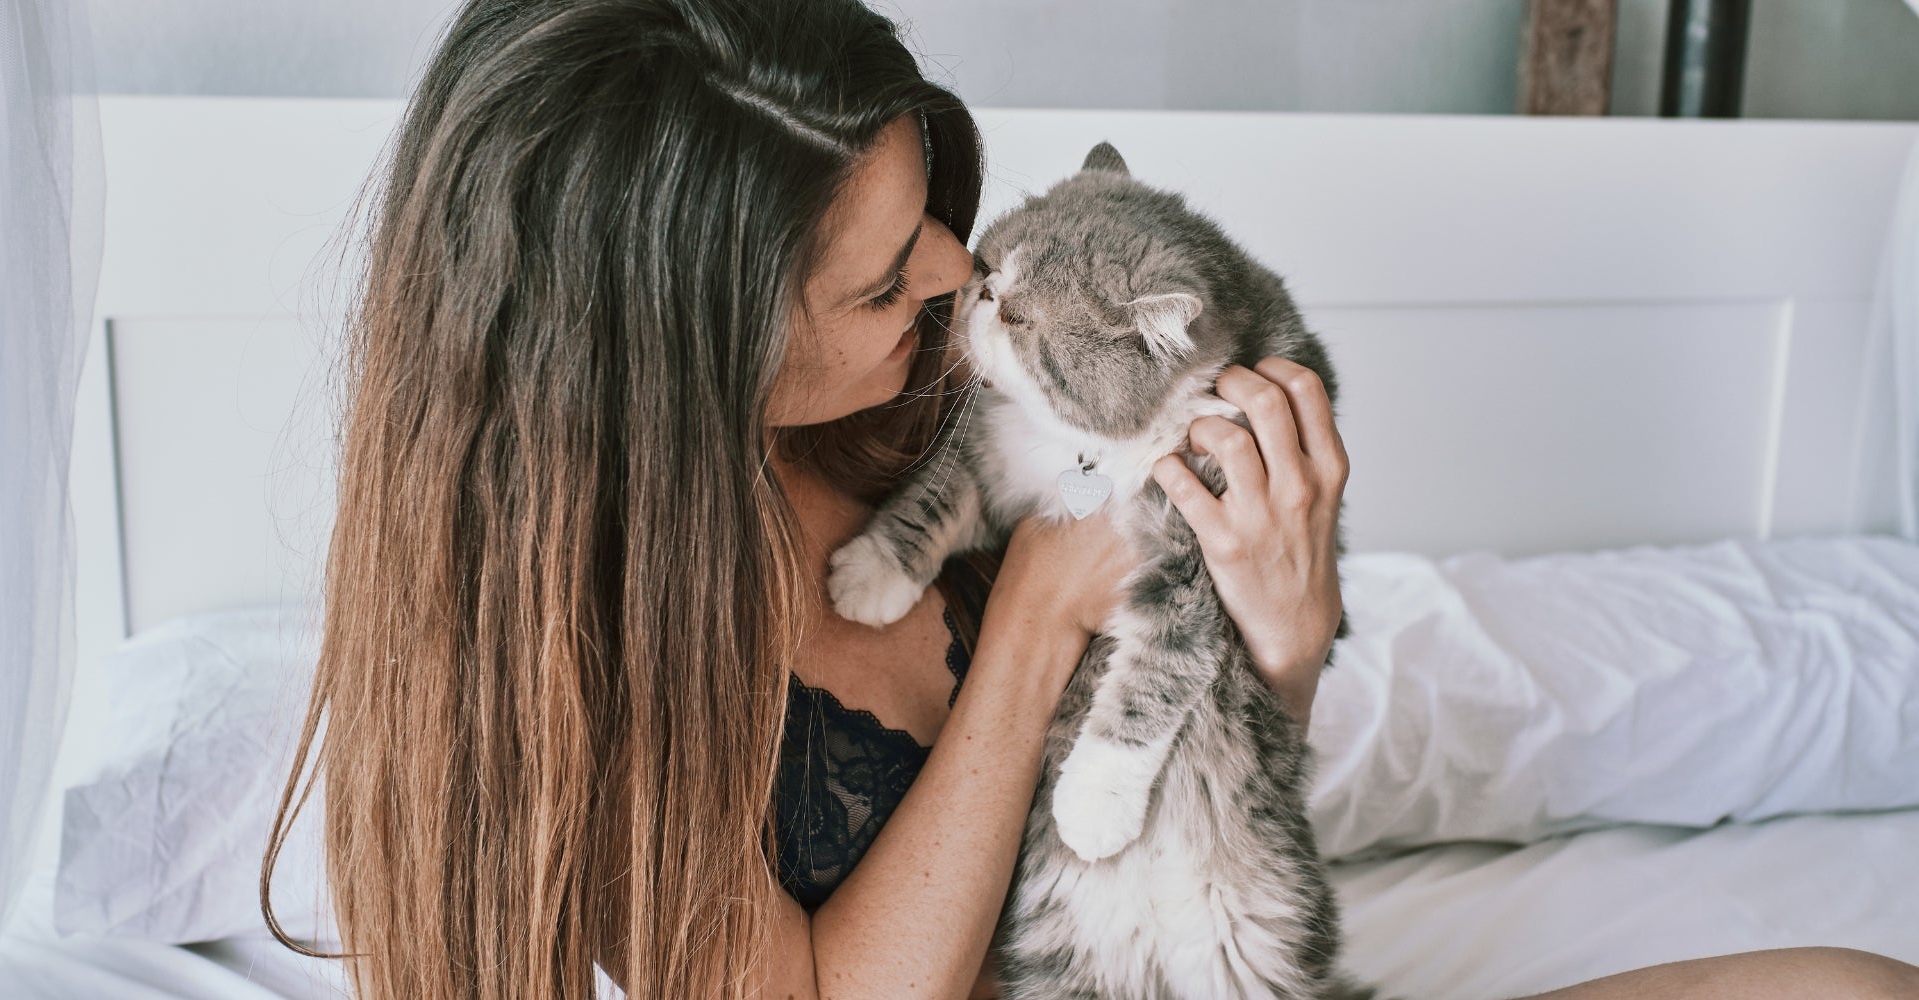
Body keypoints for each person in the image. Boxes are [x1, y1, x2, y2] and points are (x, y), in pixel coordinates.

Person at [260, 0, 1919, 998]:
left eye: (931, 219)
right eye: (877, 286)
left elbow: (1186, 786)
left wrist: (1280, 630)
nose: (954, 280)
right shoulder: (573, 651)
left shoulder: (919, 396)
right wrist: (1040, 618)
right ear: (673, 354)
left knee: (1850, 987)